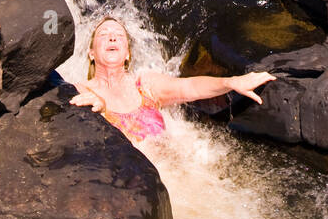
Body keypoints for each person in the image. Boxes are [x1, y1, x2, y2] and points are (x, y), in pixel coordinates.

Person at [69, 16, 275, 150]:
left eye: (119, 36)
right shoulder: (81, 91)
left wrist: (231, 82)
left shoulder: (145, 85)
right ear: (91, 53)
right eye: (104, 35)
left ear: (128, 54)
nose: (112, 38)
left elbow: (189, 87)